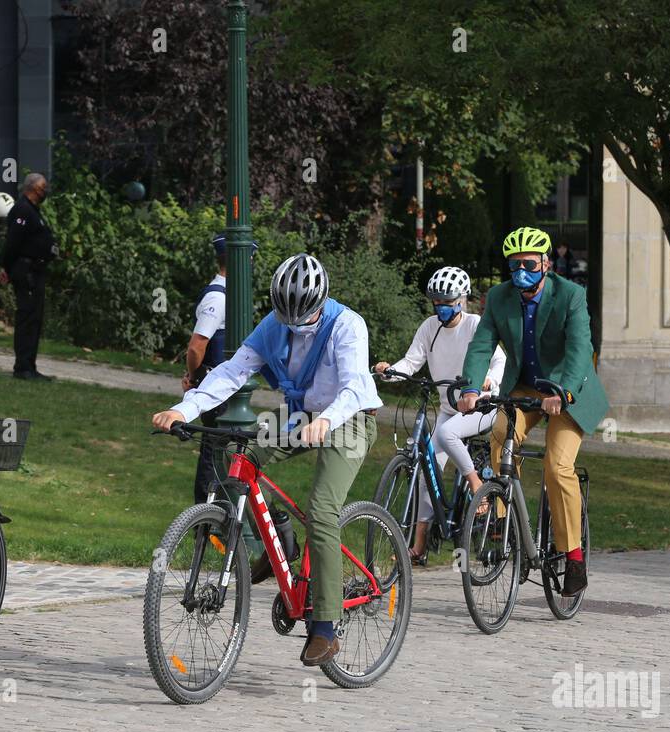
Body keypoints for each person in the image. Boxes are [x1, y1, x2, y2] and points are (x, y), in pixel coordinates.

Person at [152, 253, 382, 666]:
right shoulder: (272, 324)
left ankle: (325, 627)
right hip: (299, 416)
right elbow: (232, 371)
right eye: (286, 316)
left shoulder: (348, 325)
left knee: (322, 509)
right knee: (242, 461)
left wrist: (326, 419)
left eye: (305, 316)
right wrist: (183, 409)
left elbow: (355, 388)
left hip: (348, 420)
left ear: (322, 300)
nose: (294, 326)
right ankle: (279, 535)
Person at [459, 226, 609, 597]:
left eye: (528, 263)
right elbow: (482, 345)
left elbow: (579, 348)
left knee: (557, 467)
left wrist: (564, 391)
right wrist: (470, 387)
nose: (520, 271)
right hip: (524, 387)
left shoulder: (570, 295)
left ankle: (573, 556)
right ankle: (502, 523)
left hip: (567, 389)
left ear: (546, 263)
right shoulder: (499, 297)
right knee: (499, 433)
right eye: (514, 265)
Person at [373, 265, 505, 562]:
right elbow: (412, 361)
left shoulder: (476, 325)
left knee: (447, 434)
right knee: (426, 468)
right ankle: (418, 547)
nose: (441, 308)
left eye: (447, 302)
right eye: (437, 302)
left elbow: (499, 362)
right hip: (448, 408)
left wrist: (489, 381)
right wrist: (389, 372)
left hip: (481, 406)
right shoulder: (429, 328)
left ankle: (475, 482)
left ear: (462, 300)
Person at [182, 234, 257, 504]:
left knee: (223, 450)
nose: (251, 263)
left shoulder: (229, 294)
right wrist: (194, 376)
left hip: (227, 386)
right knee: (214, 451)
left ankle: (218, 513)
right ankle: (208, 515)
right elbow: (196, 346)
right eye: (249, 258)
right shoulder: (219, 297)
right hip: (217, 383)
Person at [0, 172, 59, 381]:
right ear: (32, 188)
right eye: (43, 187)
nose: (46, 190)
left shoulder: (33, 211)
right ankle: (23, 367)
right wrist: (6, 268)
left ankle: (29, 366)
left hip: (36, 271)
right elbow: (12, 243)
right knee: (27, 318)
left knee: (34, 319)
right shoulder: (23, 210)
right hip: (26, 272)